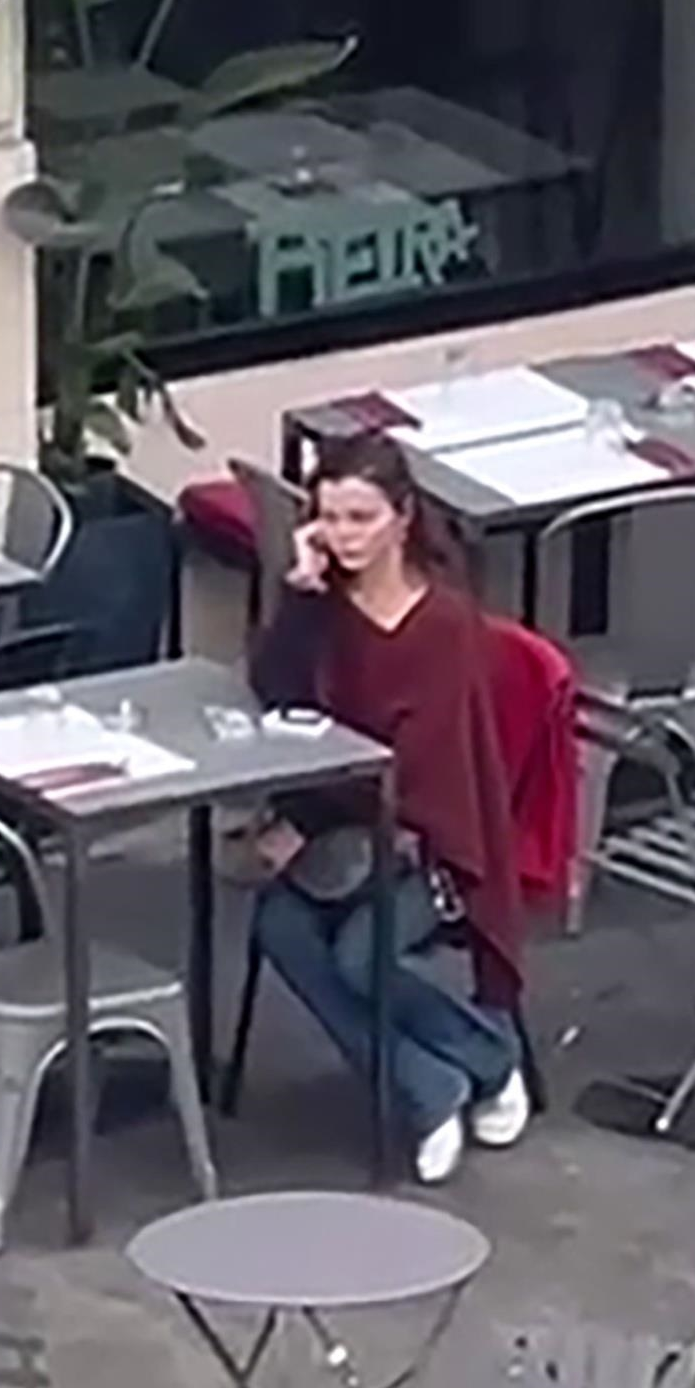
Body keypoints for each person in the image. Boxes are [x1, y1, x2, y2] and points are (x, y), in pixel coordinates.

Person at [248, 431, 530, 1188]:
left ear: (401, 518)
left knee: (356, 955)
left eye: (358, 518)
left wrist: (300, 822)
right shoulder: (329, 604)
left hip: (426, 841)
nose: (341, 536)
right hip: (348, 833)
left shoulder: (441, 626)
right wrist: (302, 591)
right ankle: (429, 1084)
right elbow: (276, 691)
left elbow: (417, 774)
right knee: (278, 924)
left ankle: (489, 1059)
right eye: (329, 518)